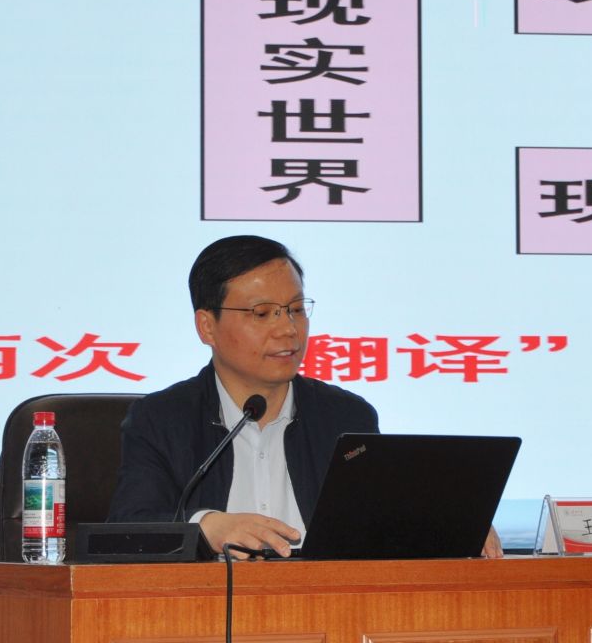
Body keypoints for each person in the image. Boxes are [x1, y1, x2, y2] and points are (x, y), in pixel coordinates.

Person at [108, 235, 501, 558]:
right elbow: (124, 531)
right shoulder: (161, 419)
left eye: (296, 310)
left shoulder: (345, 417)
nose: (289, 330)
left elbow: (375, 525)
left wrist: (451, 525)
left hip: (325, 609)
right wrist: (206, 527)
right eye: (263, 314)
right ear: (207, 326)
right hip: (204, 611)